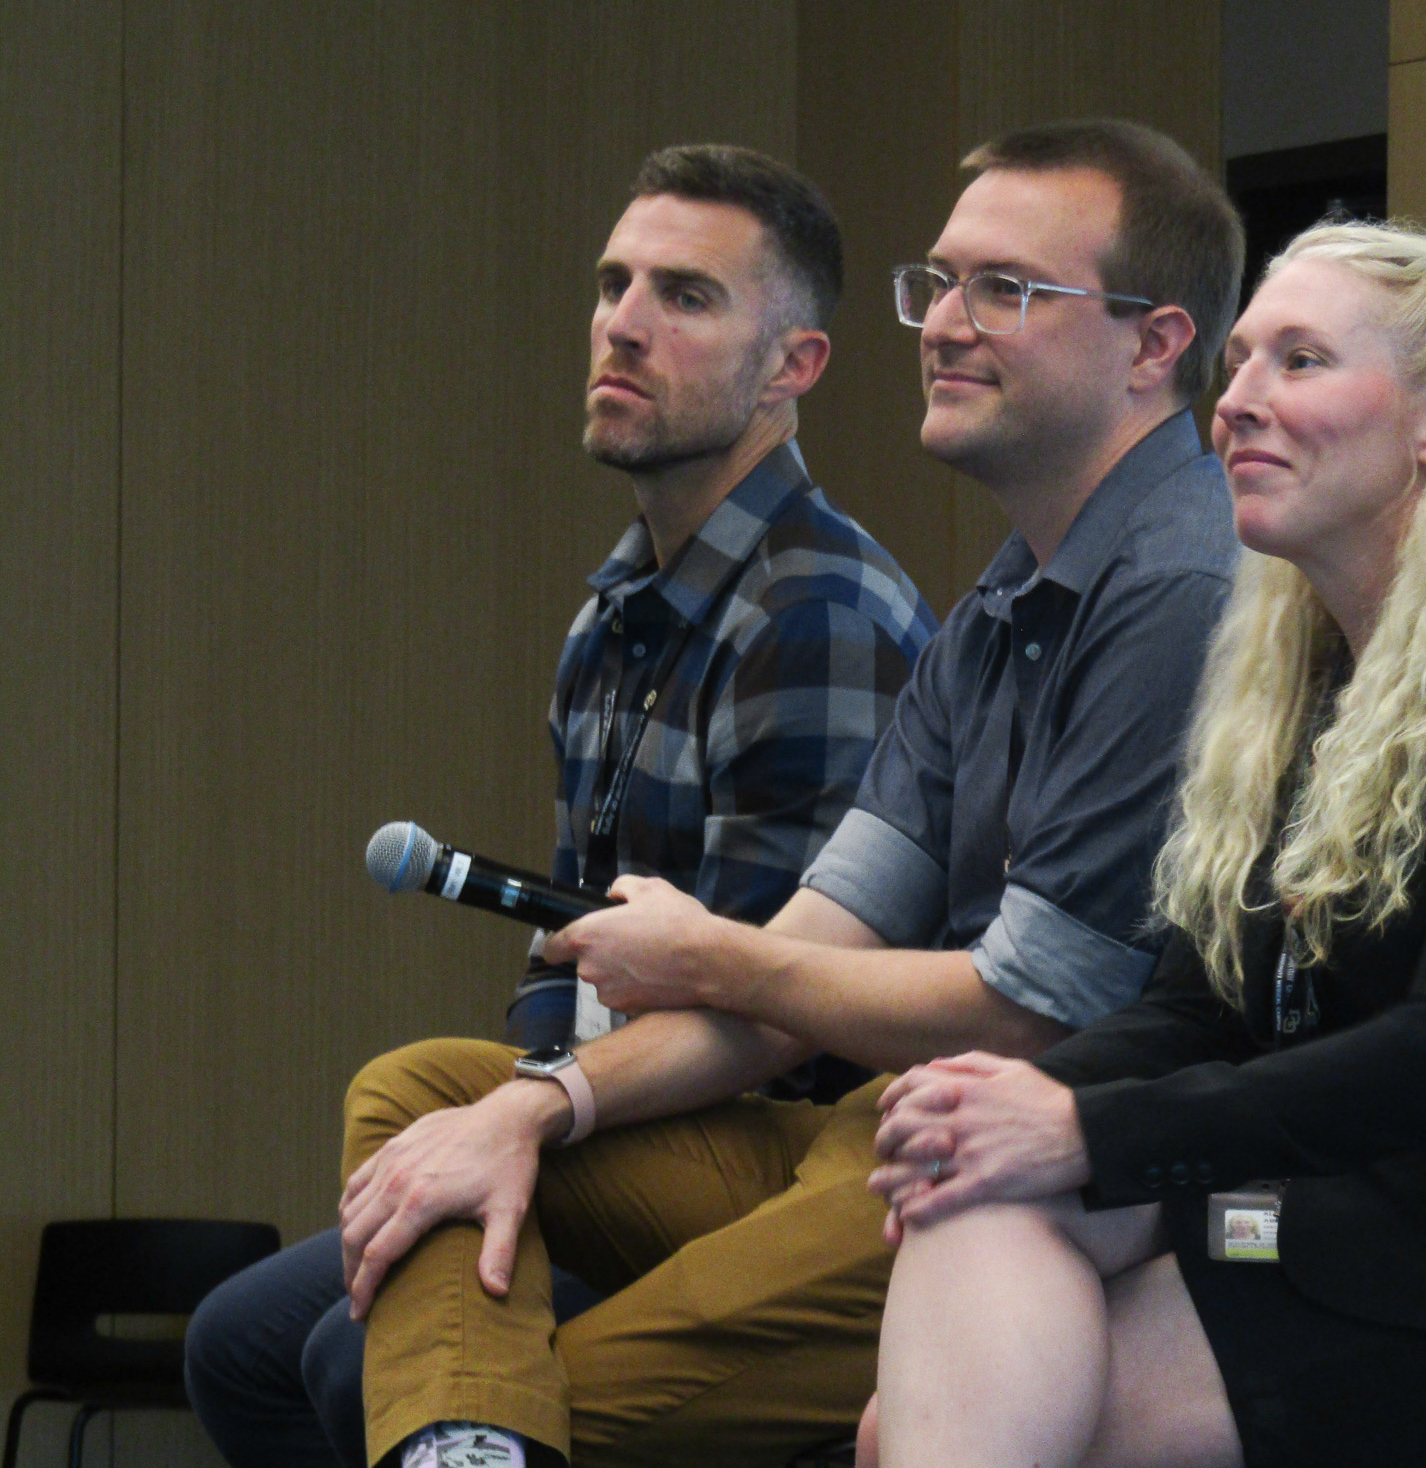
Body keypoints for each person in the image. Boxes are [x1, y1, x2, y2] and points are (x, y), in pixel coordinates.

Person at [328, 120, 1245, 1468]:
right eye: (935, 283)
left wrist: (704, 956)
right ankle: (470, 1438)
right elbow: (809, 955)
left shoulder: (1178, 585)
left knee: (538, 1395)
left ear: (1154, 346)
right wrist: (542, 1104)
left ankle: (475, 1437)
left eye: (1006, 289)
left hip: (1034, 1171)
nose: (941, 324)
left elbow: (1033, 1006)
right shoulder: (1003, 593)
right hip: (884, 1122)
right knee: (426, 1096)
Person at [862, 220, 1426, 1468]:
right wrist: (1010, 1102)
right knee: (978, 1195)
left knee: (984, 1411)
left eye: (1300, 361)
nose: (1237, 403)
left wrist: (1088, 1134)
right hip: (1299, 1235)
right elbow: (1190, 1012)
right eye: (1237, 363)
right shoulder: (1297, 689)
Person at [183, 143, 937, 1468]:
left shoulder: (815, 612)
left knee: (347, 1343)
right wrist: (512, 1113)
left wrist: (525, 1118)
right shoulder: (613, 618)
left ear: (795, 367)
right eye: (612, 284)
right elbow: (565, 958)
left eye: (686, 297)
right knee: (242, 1341)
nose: (623, 325)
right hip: (618, 1106)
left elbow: (779, 1018)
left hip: (766, 1157)